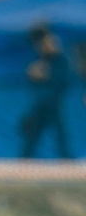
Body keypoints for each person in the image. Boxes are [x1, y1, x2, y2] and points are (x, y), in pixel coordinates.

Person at [20, 25, 74, 160]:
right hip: (40, 104)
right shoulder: (37, 58)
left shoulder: (60, 60)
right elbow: (32, 79)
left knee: (61, 137)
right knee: (32, 136)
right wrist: (34, 75)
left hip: (55, 103)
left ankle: (67, 163)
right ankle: (23, 162)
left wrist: (48, 74)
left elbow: (64, 80)